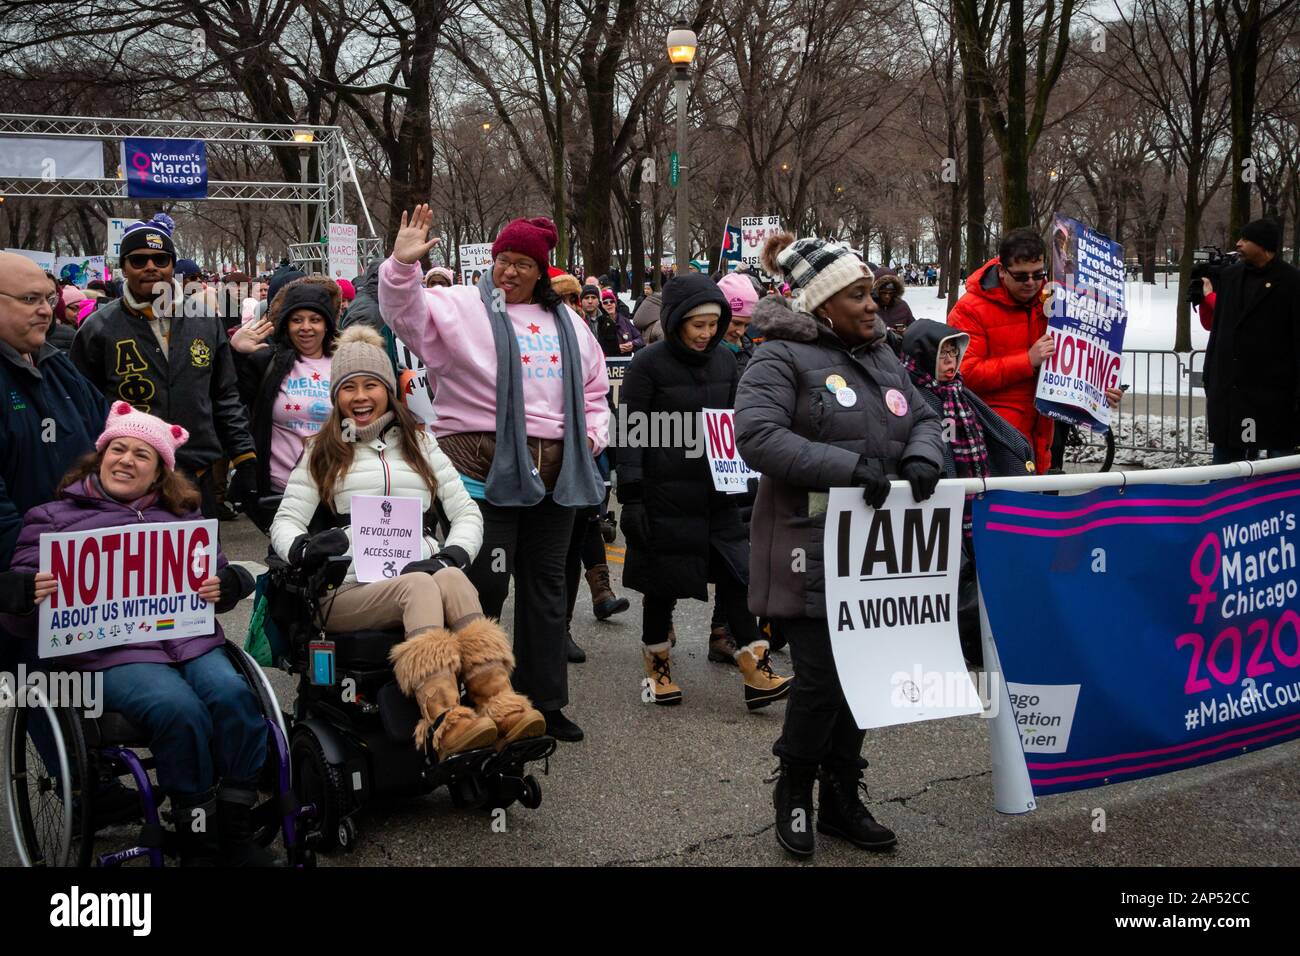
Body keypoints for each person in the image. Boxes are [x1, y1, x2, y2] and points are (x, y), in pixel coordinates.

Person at [737, 233, 945, 858]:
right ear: (822, 304)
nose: (872, 305)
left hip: (879, 561)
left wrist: (921, 456)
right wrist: (846, 467)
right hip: (812, 555)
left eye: (872, 293)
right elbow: (757, 436)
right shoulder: (778, 358)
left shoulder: (883, 357)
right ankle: (794, 786)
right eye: (857, 295)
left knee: (865, 680)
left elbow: (926, 416)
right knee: (823, 681)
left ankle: (841, 797)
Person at [1, 403, 271, 865]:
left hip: (188, 640)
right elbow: (22, 621)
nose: (126, 460)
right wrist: (23, 593)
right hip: (110, 651)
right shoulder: (50, 519)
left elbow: (221, 582)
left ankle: (236, 814)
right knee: (176, 708)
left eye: (142, 455)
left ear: (160, 472)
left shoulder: (182, 516)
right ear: (100, 457)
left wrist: (229, 585)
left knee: (232, 694)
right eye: (118, 449)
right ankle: (195, 825)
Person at [378, 207, 609, 742]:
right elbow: (404, 314)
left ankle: (545, 702)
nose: (509, 271)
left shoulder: (570, 324)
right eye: (502, 259)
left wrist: (591, 438)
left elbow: (595, 393)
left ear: (541, 270)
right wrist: (401, 265)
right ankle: (477, 703)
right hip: (482, 472)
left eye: (522, 263)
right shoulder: (461, 305)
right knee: (484, 585)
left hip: (558, 477)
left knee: (547, 589)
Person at [271, 325, 546, 757]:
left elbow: (466, 512)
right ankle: (443, 718)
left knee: (451, 578)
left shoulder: (420, 444)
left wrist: (453, 553)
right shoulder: (321, 449)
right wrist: (304, 547)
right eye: (349, 389)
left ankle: (499, 702)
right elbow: (286, 519)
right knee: (419, 585)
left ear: (388, 390)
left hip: (416, 571)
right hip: (347, 587)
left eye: (371, 386)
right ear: (336, 397)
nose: (360, 397)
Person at [618, 273, 793, 710]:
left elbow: (734, 427)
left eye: (713, 324)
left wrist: (745, 481)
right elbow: (630, 433)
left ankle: (756, 667)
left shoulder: (724, 362)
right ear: (677, 321)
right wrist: (632, 496)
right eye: (698, 324)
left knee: (737, 578)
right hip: (664, 497)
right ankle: (657, 672)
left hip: (718, 495)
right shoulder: (647, 365)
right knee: (662, 587)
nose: (707, 334)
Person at [70, 215, 258, 519]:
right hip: (127, 481)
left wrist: (244, 455)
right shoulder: (97, 329)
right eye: (139, 260)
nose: (150, 267)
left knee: (202, 564)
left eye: (160, 258)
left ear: (172, 265)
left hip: (196, 472)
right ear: (124, 267)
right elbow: (81, 408)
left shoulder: (206, 320)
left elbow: (224, 395)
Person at [899, 319, 1035, 662]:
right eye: (942, 355)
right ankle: (950, 634)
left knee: (979, 561)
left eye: (953, 355)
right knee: (946, 566)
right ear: (922, 356)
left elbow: (993, 425)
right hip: (940, 494)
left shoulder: (959, 391)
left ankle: (975, 632)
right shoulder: (913, 396)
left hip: (975, 491)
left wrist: (1020, 448)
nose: (950, 364)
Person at [0, 252, 108, 570]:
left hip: (78, 564)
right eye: (30, 299)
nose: (46, 311)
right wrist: (26, 566)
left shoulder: (57, 365)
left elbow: (109, 434)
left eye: (49, 299)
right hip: (24, 578)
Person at [228, 277, 340, 529]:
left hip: (336, 488)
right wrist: (235, 353)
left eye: (315, 319)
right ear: (286, 325)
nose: (306, 327)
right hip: (282, 491)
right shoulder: (268, 362)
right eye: (297, 320)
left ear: (327, 325)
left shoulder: (345, 362)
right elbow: (229, 397)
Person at [946, 228, 1056, 473]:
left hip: (1043, 431)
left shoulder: (1054, 301)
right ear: (1002, 271)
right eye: (1021, 276)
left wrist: (1100, 392)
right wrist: (1027, 361)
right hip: (995, 436)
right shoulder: (969, 310)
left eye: (1038, 274)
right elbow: (965, 373)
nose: (1031, 283)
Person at [1202, 217, 1300, 462]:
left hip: (1274, 398)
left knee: (1279, 472)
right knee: (1224, 472)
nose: (1238, 243)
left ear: (1264, 245)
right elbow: (1218, 330)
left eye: (1245, 239)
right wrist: (1210, 376)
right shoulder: (1230, 277)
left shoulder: (1292, 282)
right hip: (1230, 395)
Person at [597, 288, 643, 356]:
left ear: (615, 304)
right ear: (601, 306)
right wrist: (615, 348)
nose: (609, 304)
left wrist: (632, 344)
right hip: (607, 363)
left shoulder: (624, 320)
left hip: (625, 362)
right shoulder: (599, 322)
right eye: (605, 302)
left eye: (612, 301)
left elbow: (640, 339)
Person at [871, 268, 914, 334]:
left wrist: (906, 331)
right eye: (884, 292)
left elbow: (913, 326)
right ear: (876, 291)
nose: (887, 296)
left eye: (891, 293)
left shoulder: (902, 306)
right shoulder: (869, 307)